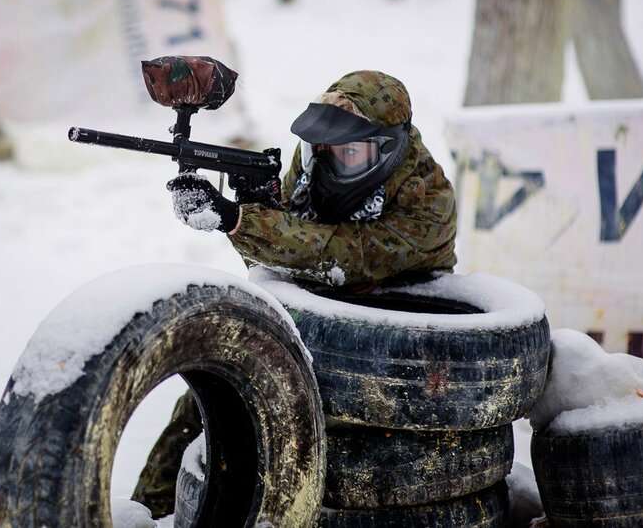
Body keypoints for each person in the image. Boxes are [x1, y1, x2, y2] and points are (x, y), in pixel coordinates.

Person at [131, 70, 457, 517]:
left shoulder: (429, 204)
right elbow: (280, 263)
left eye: (347, 152)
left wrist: (240, 220)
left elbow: (341, 254)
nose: (326, 162)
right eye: (320, 148)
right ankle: (146, 513)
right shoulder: (317, 170)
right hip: (314, 324)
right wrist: (249, 208)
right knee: (206, 398)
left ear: (388, 150)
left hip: (395, 352)